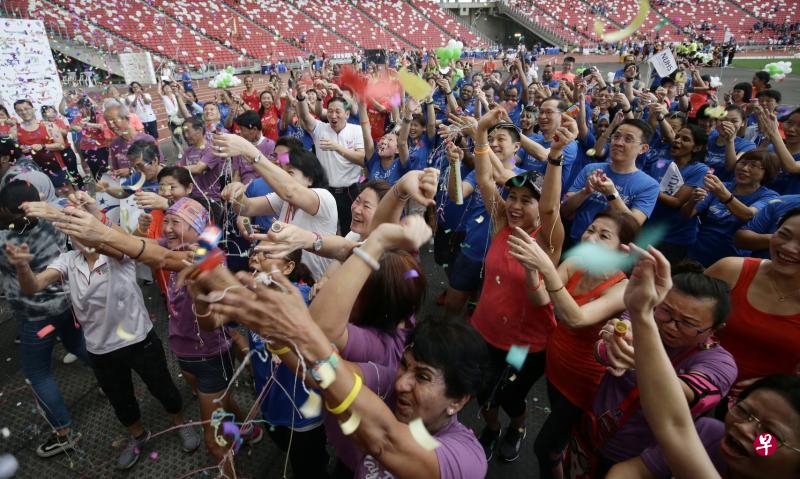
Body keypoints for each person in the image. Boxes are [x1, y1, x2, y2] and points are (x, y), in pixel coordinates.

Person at [190, 225, 489, 479]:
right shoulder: (389, 378)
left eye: (422, 376)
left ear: (459, 400)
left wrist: (299, 330)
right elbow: (322, 376)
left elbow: (386, 442)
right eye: (405, 365)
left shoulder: (466, 458)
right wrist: (270, 328)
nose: (402, 383)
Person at [50, 199, 260, 474]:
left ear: (197, 227)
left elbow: (157, 257)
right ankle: (248, 429)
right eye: (167, 221)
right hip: (184, 352)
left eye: (176, 222)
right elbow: (134, 243)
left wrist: (99, 232)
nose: (167, 228)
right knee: (224, 401)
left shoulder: (209, 256)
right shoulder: (171, 245)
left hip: (210, 356)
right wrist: (94, 211)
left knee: (213, 441)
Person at [11, 193, 201, 470]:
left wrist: (61, 213)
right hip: (100, 349)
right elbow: (33, 286)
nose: (79, 234)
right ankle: (139, 436)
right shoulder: (67, 260)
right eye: (73, 230)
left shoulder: (115, 253)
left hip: (139, 339)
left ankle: (181, 423)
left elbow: (116, 242)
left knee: (163, 388)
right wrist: (21, 267)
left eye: (81, 225)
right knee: (120, 401)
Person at [610, 245, 800, 479]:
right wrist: (626, 327)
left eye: (770, 435)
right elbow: (672, 428)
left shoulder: (720, 366)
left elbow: (674, 418)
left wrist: (640, 343)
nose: (743, 428)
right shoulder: (710, 434)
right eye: (743, 411)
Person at [452, 108, 573, 462]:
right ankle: (492, 429)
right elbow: (485, 179)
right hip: (484, 332)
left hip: (524, 344)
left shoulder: (548, 239)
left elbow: (550, 209)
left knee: (509, 394)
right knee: (482, 391)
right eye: (513, 198)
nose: (516, 205)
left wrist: (555, 157)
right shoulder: (502, 223)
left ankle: (517, 426)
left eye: (526, 200)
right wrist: (480, 134)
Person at [509, 209, 638, 479]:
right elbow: (541, 299)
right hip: (555, 365)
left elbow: (576, 318)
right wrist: (531, 269)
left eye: (604, 235)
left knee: (544, 448)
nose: (591, 238)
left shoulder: (621, 288)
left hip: (583, 383)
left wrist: (546, 268)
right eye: (590, 230)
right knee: (559, 443)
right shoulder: (576, 262)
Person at [589, 262, 737, 477]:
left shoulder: (720, 365)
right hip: (591, 430)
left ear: (715, 329)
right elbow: (602, 353)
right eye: (666, 311)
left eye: (688, 323)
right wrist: (612, 341)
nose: (670, 325)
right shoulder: (644, 316)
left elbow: (683, 394)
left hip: (638, 457)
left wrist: (641, 361)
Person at [0, 180, 89, 458]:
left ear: (5, 210)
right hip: (66, 302)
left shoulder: (4, 242)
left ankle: (63, 433)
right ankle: (112, 380)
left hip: (36, 316)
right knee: (78, 344)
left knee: (38, 373)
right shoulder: (52, 222)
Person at [216, 133, 337, 280]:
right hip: (283, 276)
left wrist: (247, 149)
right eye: (282, 171)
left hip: (314, 283)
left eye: (290, 173)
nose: (282, 177)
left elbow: (290, 190)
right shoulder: (282, 198)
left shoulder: (323, 197)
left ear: (310, 179)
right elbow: (247, 208)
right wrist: (237, 194)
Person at [705, 208, 800, 387]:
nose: (789, 248)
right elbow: (676, 312)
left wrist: (773, 387)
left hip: (762, 401)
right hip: (688, 382)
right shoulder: (730, 270)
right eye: (784, 235)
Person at [563, 119, 660, 242]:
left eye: (628, 139)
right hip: (575, 241)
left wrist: (612, 195)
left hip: (609, 250)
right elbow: (565, 210)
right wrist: (585, 191)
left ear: (643, 148)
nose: (618, 143)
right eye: (616, 137)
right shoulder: (591, 169)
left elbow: (633, 226)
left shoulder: (649, 185)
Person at [684, 151, 780, 266]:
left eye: (753, 165)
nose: (744, 168)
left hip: (732, 261)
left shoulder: (769, 197)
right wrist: (692, 200)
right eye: (742, 163)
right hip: (698, 253)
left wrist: (724, 195)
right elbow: (686, 215)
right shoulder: (722, 186)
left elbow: (748, 215)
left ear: (767, 172)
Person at [297, 88, 365, 235]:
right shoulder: (320, 129)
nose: (333, 115)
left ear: (347, 114)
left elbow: (361, 159)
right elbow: (305, 116)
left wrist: (336, 147)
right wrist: (301, 98)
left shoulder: (356, 130)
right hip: (326, 191)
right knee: (326, 232)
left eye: (338, 112)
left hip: (350, 191)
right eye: (330, 111)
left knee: (350, 232)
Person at [645, 124, 710, 263]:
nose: (677, 140)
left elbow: (676, 202)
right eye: (677, 136)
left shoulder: (699, 170)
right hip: (649, 232)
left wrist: (649, 189)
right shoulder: (660, 163)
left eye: (685, 139)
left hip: (674, 238)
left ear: (697, 148)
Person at [10, 100, 66, 186]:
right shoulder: (14, 130)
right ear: (17, 112)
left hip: (55, 167)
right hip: (31, 172)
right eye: (20, 110)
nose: (24, 112)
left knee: (66, 192)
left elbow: (61, 145)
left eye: (26, 108)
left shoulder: (49, 125)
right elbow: (13, 152)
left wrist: (43, 146)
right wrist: (20, 150)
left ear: (33, 109)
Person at [359, 99, 407, 185]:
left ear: (397, 149)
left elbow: (403, 143)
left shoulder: (401, 164)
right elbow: (366, 135)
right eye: (383, 138)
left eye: (390, 140)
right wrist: (361, 105)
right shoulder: (373, 160)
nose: (384, 141)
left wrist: (408, 114)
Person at [104, 102, 158, 178]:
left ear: (127, 119)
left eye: (114, 121)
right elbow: (116, 168)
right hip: (127, 184)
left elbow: (159, 166)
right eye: (108, 122)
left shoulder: (147, 139)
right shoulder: (114, 144)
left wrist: (131, 171)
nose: (111, 126)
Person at [705, 106, 757, 182]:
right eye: (723, 120)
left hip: (723, 186)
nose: (727, 124)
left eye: (734, 121)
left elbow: (731, 167)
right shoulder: (708, 137)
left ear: (742, 123)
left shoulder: (748, 146)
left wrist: (730, 141)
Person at [178, 116, 224, 203]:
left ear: (199, 130)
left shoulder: (212, 149)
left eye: (188, 131)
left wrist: (175, 169)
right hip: (192, 196)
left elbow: (198, 169)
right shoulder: (188, 151)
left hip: (210, 198)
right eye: (184, 132)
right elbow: (179, 172)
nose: (185, 136)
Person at [230, 111, 276, 185]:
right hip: (243, 188)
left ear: (254, 129)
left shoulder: (270, 145)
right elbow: (237, 175)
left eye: (242, 129)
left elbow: (270, 174)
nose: (240, 133)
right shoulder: (239, 146)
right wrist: (235, 187)